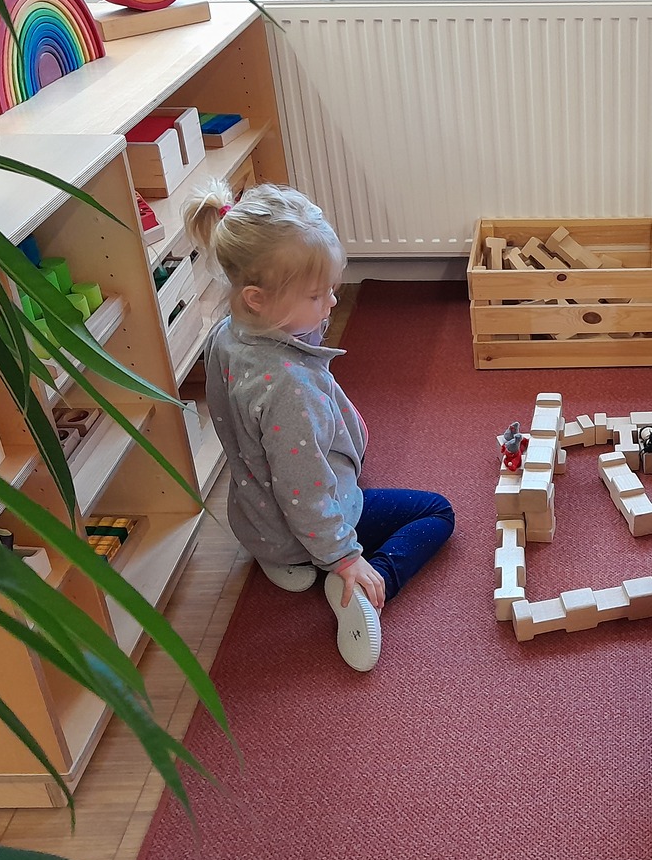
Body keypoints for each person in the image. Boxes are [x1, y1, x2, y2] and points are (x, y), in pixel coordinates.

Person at [186, 179, 455, 672]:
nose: (331, 303)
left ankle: (281, 559)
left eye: (330, 289)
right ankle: (363, 583)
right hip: (305, 530)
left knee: (299, 486)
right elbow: (304, 490)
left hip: (257, 519)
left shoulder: (229, 332)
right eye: (316, 295)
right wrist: (344, 557)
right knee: (437, 513)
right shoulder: (288, 388)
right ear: (257, 298)